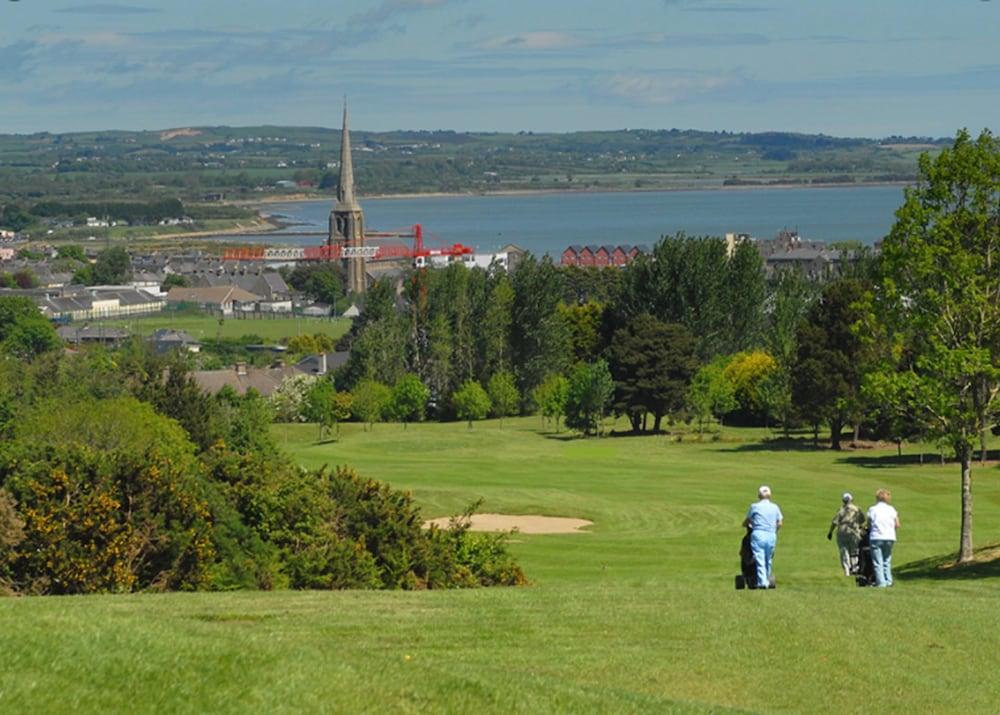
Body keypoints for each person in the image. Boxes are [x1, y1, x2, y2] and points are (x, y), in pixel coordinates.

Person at [742, 485, 783, 589]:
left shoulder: (754, 506)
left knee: (759, 558)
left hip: (758, 534)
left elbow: (748, 520)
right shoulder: (775, 507)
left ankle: (762, 583)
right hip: (771, 534)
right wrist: (775, 530)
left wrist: (745, 524)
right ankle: (767, 580)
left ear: (759, 495)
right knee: (768, 558)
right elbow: (780, 522)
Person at [866, 489, 900, 588]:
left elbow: (868, 524)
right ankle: (889, 580)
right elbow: (897, 524)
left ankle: (881, 583)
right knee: (887, 560)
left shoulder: (873, 509)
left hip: (876, 536)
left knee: (877, 561)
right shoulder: (892, 509)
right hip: (890, 537)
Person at [827, 492, 865, 576]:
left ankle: (847, 571)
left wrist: (830, 532)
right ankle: (854, 568)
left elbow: (835, 522)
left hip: (842, 533)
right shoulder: (856, 509)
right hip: (854, 532)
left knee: (844, 552)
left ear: (843, 500)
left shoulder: (841, 510)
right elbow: (862, 521)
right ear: (851, 500)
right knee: (854, 551)